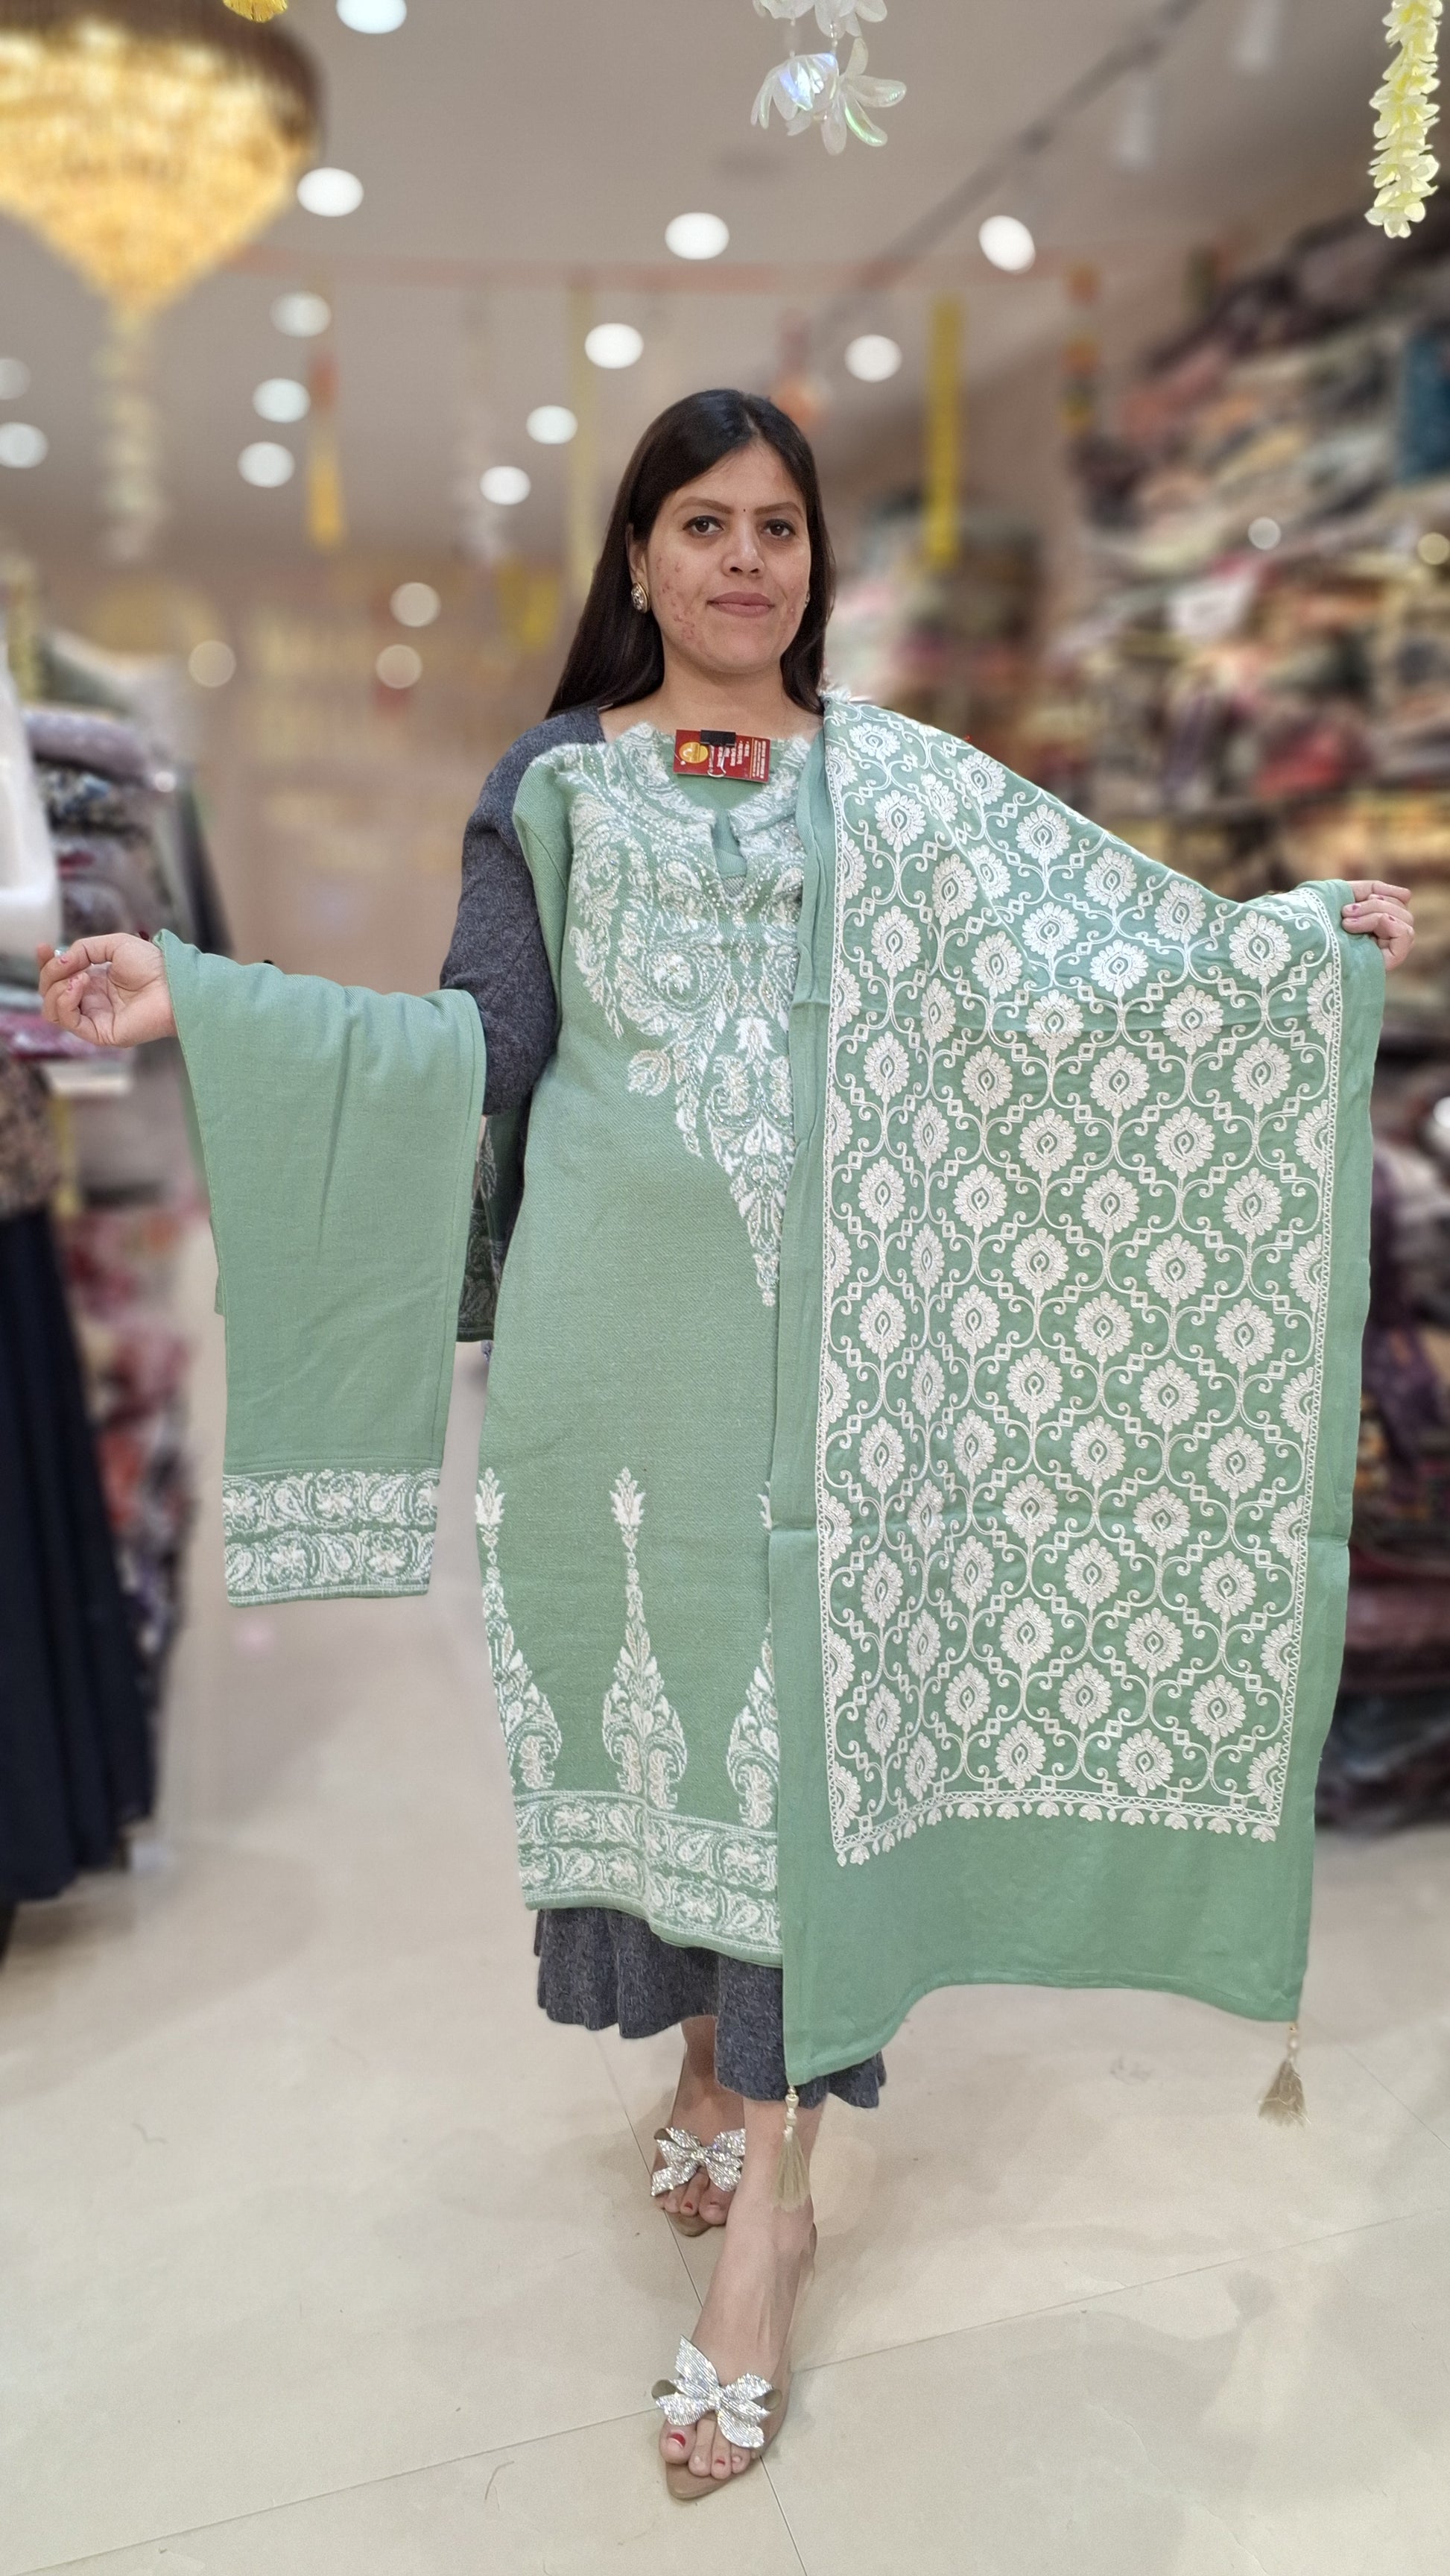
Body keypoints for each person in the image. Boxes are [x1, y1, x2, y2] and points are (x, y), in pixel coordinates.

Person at [39, 388, 1415, 2501]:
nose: (745, 560)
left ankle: (772, 2222)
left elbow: (1083, 979)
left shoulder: (901, 785)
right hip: (620, 1357)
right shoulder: (555, 785)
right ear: (639, 557)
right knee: (689, 1725)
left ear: (811, 563)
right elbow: (485, 1045)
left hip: (861, 1362)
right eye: (703, 523)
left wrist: (1284, 953)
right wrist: (207, 1002)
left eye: (778, 526)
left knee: (806, 1759)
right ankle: (704, 2054)